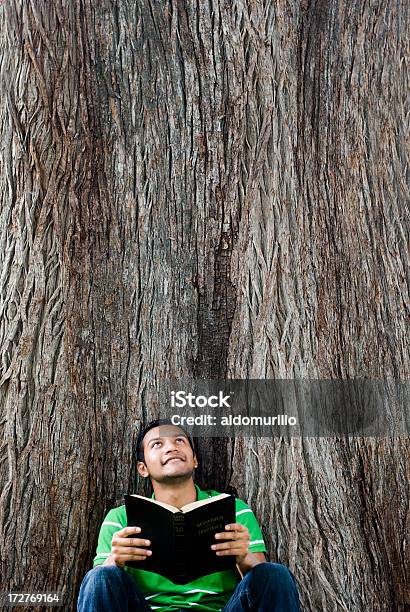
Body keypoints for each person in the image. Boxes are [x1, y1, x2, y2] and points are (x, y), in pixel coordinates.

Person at [78, 419, 300, 611]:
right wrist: (114, 560)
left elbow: (260, 582)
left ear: (195, 459)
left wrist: (243, 557)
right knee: (100, 578)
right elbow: (98, 590)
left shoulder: (234, 509)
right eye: (157, 444)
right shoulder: (120, 518)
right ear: (142, 468)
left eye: (179, 441)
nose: (171, 448)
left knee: (274, 574)